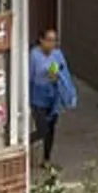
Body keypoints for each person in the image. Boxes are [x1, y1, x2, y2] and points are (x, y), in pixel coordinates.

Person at [28, 28, 77, 168]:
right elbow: (30, 76)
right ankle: (27, 141)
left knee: (51, 128)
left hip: (53, 94)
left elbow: (64, 72)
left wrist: (61, 83)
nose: (52, 44)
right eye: (49, 40)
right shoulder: (34, 55)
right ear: (41, 41)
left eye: (54, 41)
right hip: (38, 95)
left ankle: (46, 159)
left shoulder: (57, 54)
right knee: (42, 128)